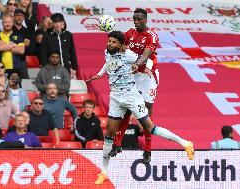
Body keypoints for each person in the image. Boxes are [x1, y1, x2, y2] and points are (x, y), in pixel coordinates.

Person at [86, 31, 194, 185]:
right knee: (109, 134)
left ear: (121, 45)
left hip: (131, 96)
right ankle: (104, 172)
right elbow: (107, 63)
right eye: (109, 41)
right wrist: (98, 74)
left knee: (150, 128)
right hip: (116, 98)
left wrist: (145, 68)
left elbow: (146, 61)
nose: (109, 44)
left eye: (113, 42)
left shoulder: (129, 55)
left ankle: (185, 143)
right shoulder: (107, 52)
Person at [110, 8, 160, 164]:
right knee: (126, 110)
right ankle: (117, 144)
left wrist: (137, 64)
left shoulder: (152, 36)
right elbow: (120, 45)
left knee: (146, 115)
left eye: (139, 19)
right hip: (133, 75)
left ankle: (148, 148)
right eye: (134, 19)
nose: (136, 21)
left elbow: (146, 54)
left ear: (145, 19)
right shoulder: (129, 33)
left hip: (148, 76)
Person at [40, 13, 78, 78]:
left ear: (63, 23)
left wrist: (74, 68)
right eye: (55, 22)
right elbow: (43, 54)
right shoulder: (46, 36)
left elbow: (72, 52)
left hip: (66, 69)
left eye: (59, 22)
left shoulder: (68, 35)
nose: (57, 24)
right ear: (51, 23)